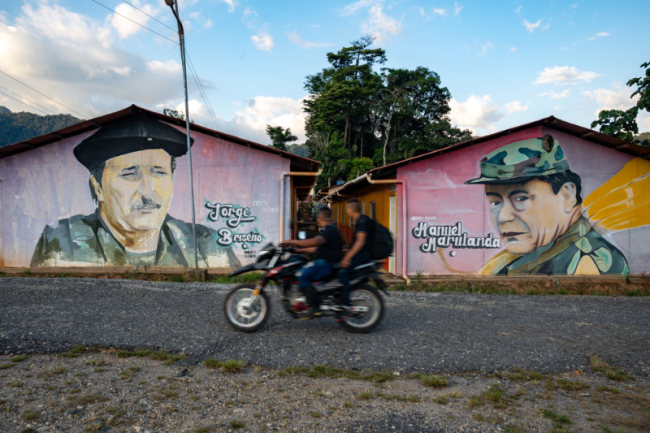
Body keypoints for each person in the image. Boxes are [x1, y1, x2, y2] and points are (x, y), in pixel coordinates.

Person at [30, 115, 241, 269]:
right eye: (130, 174)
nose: (148, 192)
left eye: (159, 173)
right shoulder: (62, 240)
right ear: (98, 187)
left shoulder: (205, 243)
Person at [465, 135, 628, 275]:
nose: (503, 217)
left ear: (567, 196)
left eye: (521, 198)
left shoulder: (589, 262)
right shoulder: (531, 253)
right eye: (495, 202)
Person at [282, 208, 344, 319]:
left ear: (320, 218)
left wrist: (291, 241)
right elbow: (317, 248)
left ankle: (314, 307)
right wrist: (297, 251)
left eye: (317, 218)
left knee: (302, 275)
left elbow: (314, 241)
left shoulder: (330, 230)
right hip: (324, 262)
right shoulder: (329, 229)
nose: (317, 219)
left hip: (326, 264)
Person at [338, 198, 374, 313]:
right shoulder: (358, 221)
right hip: (361, 254)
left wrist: (348, 257)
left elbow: (360, 242)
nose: (347, 211)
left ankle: (345, 303)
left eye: (347, 209)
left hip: (363, 256)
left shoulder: (362, 221)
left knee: (342, 272)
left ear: (352, 209)